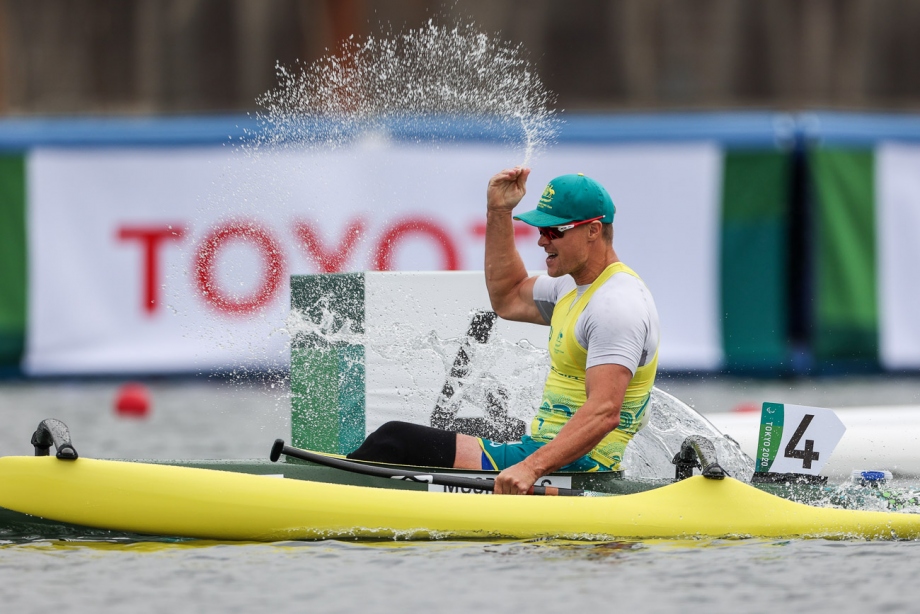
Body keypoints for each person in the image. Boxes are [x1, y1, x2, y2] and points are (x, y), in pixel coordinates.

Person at [348, 167, 660, 495]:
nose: (542, 240)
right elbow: (507, 296)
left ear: (593, 230)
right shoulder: (571, 288)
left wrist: (530, 468)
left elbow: (605, 411)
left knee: (395, 440)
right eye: (541, 229)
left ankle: (326, 492)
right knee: (395, 446)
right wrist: (499, 212)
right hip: (547, 456)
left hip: (577, 471)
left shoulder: (616, 306)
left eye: (555, 232)